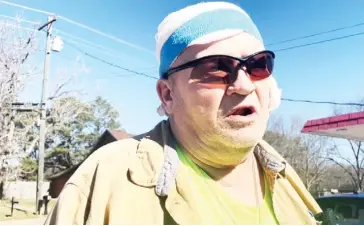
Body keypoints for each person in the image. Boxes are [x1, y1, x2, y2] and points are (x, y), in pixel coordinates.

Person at [45, 2, 324, 225]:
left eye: (258, 65)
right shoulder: (108, 177)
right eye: (216, 68)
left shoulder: (285, 179)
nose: (243, 85)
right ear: (167, 95)